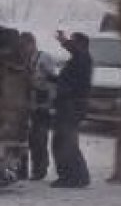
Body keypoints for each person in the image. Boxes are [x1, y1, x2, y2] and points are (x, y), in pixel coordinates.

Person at [49, 31, 94, 188]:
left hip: (71, 107)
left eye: (74, 42)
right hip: (67, 105)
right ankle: (72, 176)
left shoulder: (83, 59)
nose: (71, 45)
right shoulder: (78, 60)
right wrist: (51, 78)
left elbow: (72, 85)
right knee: (62, 142)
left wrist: (64, 41)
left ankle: (74, 177)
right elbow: (67, 80)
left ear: (81, 45)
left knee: (65, 142)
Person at [20, 33, 57, 181]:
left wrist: (49, 103)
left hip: (42, 105)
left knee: (39, 139)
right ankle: (21, 170)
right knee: (24, 139)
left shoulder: (44, 58)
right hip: (26, 104)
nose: (23, 49)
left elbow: (52, 83)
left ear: (32, 44)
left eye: (25, 45)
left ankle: (40, 169)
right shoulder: (21, 59)